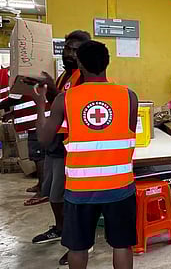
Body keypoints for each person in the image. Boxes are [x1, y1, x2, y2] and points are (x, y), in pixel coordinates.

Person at [31, 40, 138, 269]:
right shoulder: (129, 97)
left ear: (80, 65)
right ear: (107, 63)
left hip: (80, 189)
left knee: (77, 247)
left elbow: (44, 138)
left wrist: (40, 103)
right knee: (122, 245)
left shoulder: (66, 99)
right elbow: (124, 133)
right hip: (119, 186)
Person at [30, 30, 90, 265]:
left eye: (76, 50)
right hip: (57, 144)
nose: (70, 54)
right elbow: (61, 102)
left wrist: (49, 95)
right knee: (54, 195)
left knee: (69, 199)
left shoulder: (85, 77)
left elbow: (72, 106)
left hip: (71, 146)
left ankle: (80, 243)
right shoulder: (66, 75)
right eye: (68, 48)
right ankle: (61, 229)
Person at [0, 66, 48, 206]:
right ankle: (40, 185)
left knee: (39, 157)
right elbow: (23, 98)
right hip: (35, 122)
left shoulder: (20, 75)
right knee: (36, 156)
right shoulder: (22, 72)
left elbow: (13, 99)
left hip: (37, 123)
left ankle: (43, 192)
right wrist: (12, 114)